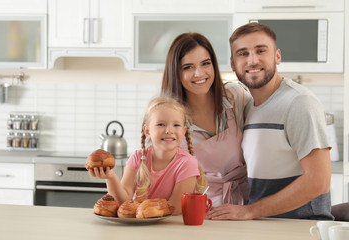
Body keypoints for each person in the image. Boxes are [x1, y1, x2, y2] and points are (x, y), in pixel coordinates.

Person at [206, 22, 333, 220]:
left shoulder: (299, 102)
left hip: (299, 228)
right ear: (233, 64)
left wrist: (250, 211)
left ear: (277, 56)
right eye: (243, 53)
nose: (252, 60)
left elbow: (319, 181)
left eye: (260, 51)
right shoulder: (248, 105)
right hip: (264, 225)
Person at [161, 32, 251, 207]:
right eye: (188, 67)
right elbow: (154, 172)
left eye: (205, 64)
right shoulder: (168, 119)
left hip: (247, 207)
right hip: (198, 213)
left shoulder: (235, 97)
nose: (199, 73)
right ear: (175, 72)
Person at [89, 96, 207, 215]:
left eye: (176, 125)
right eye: (161, 124)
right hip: (140, 228)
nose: (169, 130)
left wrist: (143, 211)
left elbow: (175, 208)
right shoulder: (137, 157)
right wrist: (110, 177)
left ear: (184, 131)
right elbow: (123, 201)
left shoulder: (187, 163)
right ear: (147, 131)